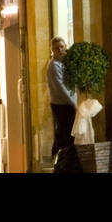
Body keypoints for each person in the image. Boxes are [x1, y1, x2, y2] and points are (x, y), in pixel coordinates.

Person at [46, 36, 78, 171]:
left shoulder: (65, 62)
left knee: (62, 133)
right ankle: (63, 164)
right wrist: (74, 103)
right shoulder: (54, 66)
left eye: (62, 47)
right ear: (52, 50)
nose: (60, 50)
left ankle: (60, 162)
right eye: (56, 48)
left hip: (66, 103)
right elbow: (61, 88)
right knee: (67, 133)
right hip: (61, 105)